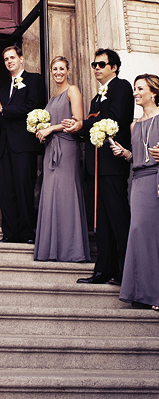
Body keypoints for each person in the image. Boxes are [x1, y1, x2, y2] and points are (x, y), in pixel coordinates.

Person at [66, 48, 134, 285]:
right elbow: (97, 122)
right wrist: (81, 127)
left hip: (113, 164)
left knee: (118, 218)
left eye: (101, 64)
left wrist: (83, 124)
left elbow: (115, 119)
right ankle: (104, 270)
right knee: (102, 221)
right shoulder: (97, 97)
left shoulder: (122, 86)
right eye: (94, 64)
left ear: (113, 67)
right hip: (96, 166)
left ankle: (127, 272)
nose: (96, 68)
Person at [0, 45, 44, 243]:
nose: (9, 61)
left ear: (21, 59)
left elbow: (32, 107)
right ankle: (10, 234)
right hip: (4, 147)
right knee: (6, 192)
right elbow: (1, 118)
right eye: (6, 59)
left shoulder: (34, 80)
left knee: (24, 190)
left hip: (24, 146)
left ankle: (27, 234)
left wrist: (2, 108)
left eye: (12, 57)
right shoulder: (3, 90)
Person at [33, 56, 90, 262]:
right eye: (54, 69)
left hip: (66, 147)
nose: (58, 72)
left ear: (68, 70)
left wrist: (51, 128)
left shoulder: (72, 90)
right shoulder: (52, 97)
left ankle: (70, 250)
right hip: (51, 150)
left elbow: (78, 120)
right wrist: (41, 130)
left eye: (61, 68)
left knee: (66, 194)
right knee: (50, 195)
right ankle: (51, 249)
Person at [110, 74, 159, 310]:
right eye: (134, 89)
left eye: (140, 88)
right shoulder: (134, 124)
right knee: (139, 234)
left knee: (152, 235)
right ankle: (142, 292)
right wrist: (126, 154)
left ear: (154, 93)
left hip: (156, 181)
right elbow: (138, 158)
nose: (135, 93)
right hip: (138, 182)